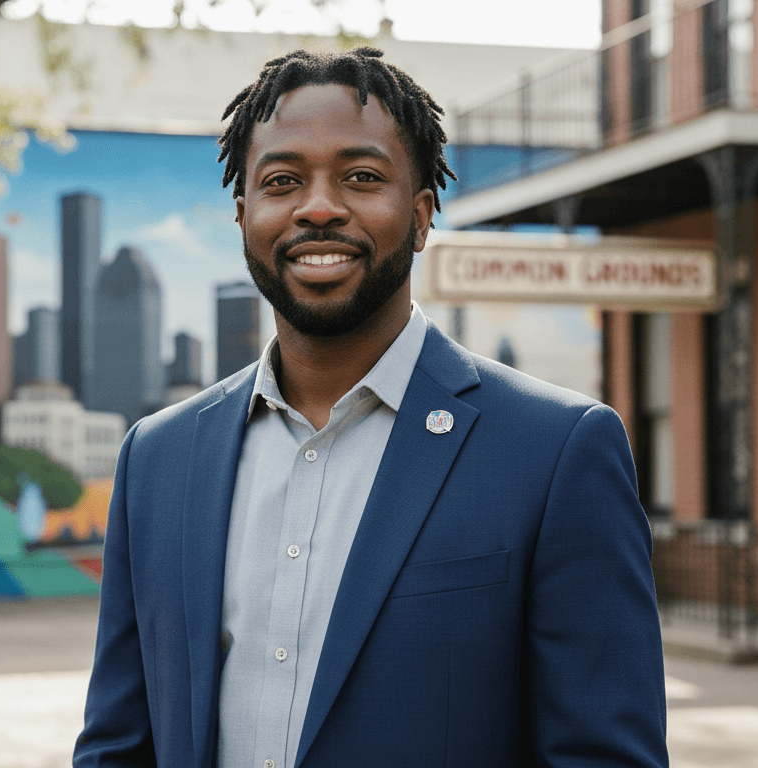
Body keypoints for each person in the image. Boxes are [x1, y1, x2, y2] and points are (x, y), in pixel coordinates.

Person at [75, 47, 668, 768]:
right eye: (283, 180)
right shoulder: (158, 457)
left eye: (361, 177)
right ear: (244, 217)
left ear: (420, 218)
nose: (318, 207)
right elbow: (117, 745)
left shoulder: (555, 451)